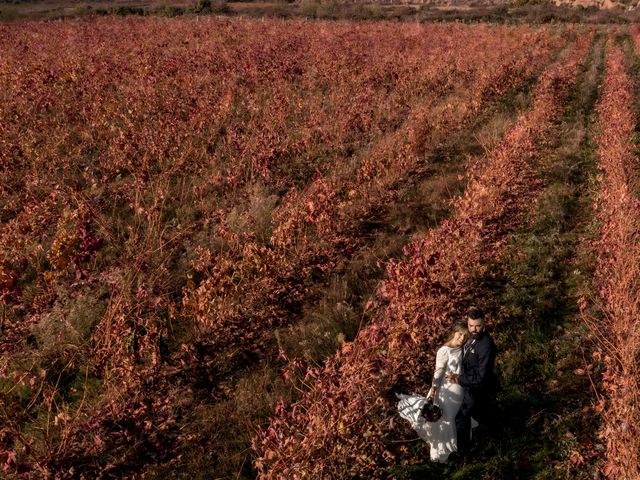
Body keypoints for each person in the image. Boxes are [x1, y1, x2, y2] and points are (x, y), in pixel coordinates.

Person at [397, 322, 469, 463]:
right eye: (460, 334)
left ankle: (453, 450)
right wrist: (434, 390)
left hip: (459, 389)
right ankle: (442, 454)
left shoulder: (462, 348)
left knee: (452, 419)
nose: (462, 338)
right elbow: (439, 371)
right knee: (445, 420)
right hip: (446, 391)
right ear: (454, 332)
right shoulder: (444, 350)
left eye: (465, 336)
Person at [449, 308, 499, 457]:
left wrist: (459, 378)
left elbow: (481, 376)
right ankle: (494, 438)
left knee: (462, 417)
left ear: (483, 323)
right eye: (471, 325)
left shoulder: (486, 345)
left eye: (477, 326)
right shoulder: (470, 337)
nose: (474, 329)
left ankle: (463, 453)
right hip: (471, 386)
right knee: (484, 417)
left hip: (479, 389)